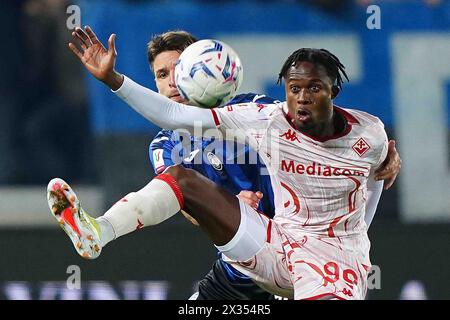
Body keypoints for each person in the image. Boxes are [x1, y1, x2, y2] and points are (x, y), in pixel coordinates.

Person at [51, 26, 401, 300]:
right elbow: (185, 203)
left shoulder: (255, 113)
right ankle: (99, 230)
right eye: (161, 75)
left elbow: (342, 146)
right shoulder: (166, 143)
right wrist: (113, 79)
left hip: (317, 254)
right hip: (252, 258)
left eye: (180, 69)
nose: (172, 81)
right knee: (181, 180)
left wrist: (385, 158)